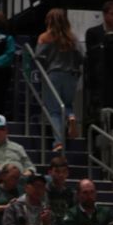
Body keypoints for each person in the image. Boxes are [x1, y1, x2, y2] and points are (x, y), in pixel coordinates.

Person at [35, 9, 82, 153]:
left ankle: (58, 142)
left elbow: (37, 57)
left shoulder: (45, 37)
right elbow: (80, 57)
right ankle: (71, 117)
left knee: (54, 111)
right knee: (67, 105)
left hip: (53, 75)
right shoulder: (72, 38)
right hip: (71, 76)